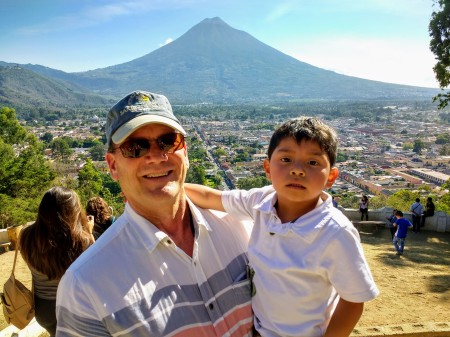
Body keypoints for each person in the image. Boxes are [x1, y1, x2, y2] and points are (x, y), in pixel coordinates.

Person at [55, 90, 253, 336]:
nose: (157, 156)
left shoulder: (242, 227)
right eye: (135, 147)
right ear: (113, 166)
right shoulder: (85, 286)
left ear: (186, 152)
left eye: (168, 141)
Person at [185, 117, 379, 337]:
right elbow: (211, 197)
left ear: (331, 177)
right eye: (286, 159)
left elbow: (353, 301)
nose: (297, 170)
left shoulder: (335, 232)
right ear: (267, 167)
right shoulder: (261, 201)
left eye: (313, 163)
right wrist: (165, 188)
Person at [19, 187, 94, 337]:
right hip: (73, 307)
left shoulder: (26, 235)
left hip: (44, 309)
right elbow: (94, 270)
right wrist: (90, 232)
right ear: (74, 211)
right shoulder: (83, 241)